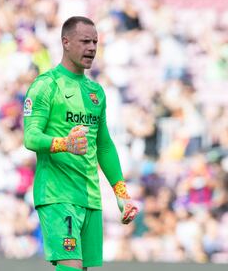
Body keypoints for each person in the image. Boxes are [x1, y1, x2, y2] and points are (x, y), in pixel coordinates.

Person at [23, 16, 139, 271]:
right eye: (85, 41)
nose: (92, 48)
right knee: (71, 267)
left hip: (90, 198)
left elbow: (104, 146)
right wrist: (65, 143)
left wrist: (122, 196)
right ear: (66, 42)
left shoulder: (95, 92)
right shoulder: (45, 86)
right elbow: (30, 137)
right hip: (57, 195)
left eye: (95, 42)